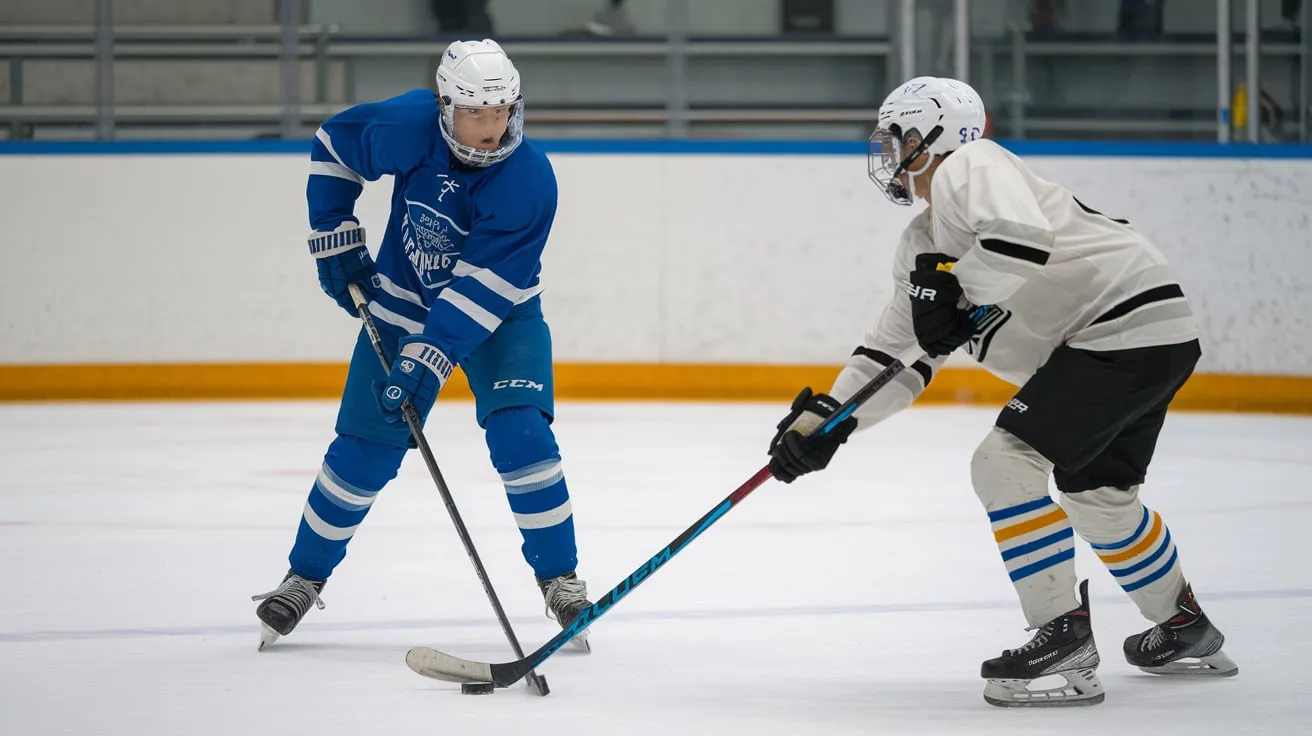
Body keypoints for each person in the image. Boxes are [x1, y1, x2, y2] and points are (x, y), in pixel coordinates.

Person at [765, 76, 1237, 707]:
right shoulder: (925, 243)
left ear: (928, 137)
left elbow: (1020, 240)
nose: (886, 153)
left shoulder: (972, 163)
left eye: (895, 137)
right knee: (1099, 496)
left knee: (1003, 462)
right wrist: (829, 421)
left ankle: (1062, 636)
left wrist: (959, 298)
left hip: (1116, 327)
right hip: (1148, 335)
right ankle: (1186, 627)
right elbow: (896, 355)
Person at [252, 39, 593, 653]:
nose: (491, 130)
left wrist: (429, 356)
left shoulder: (529, 180)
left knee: (523, 436)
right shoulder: (407, 125)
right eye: (476, 114)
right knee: (365, 450)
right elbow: (333, 145)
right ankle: (303, 577)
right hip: (401, 307)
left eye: (502, 112)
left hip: (503, 315)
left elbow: (484, 288)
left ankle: (560, 580)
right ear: (445, 107)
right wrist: (332, 231)